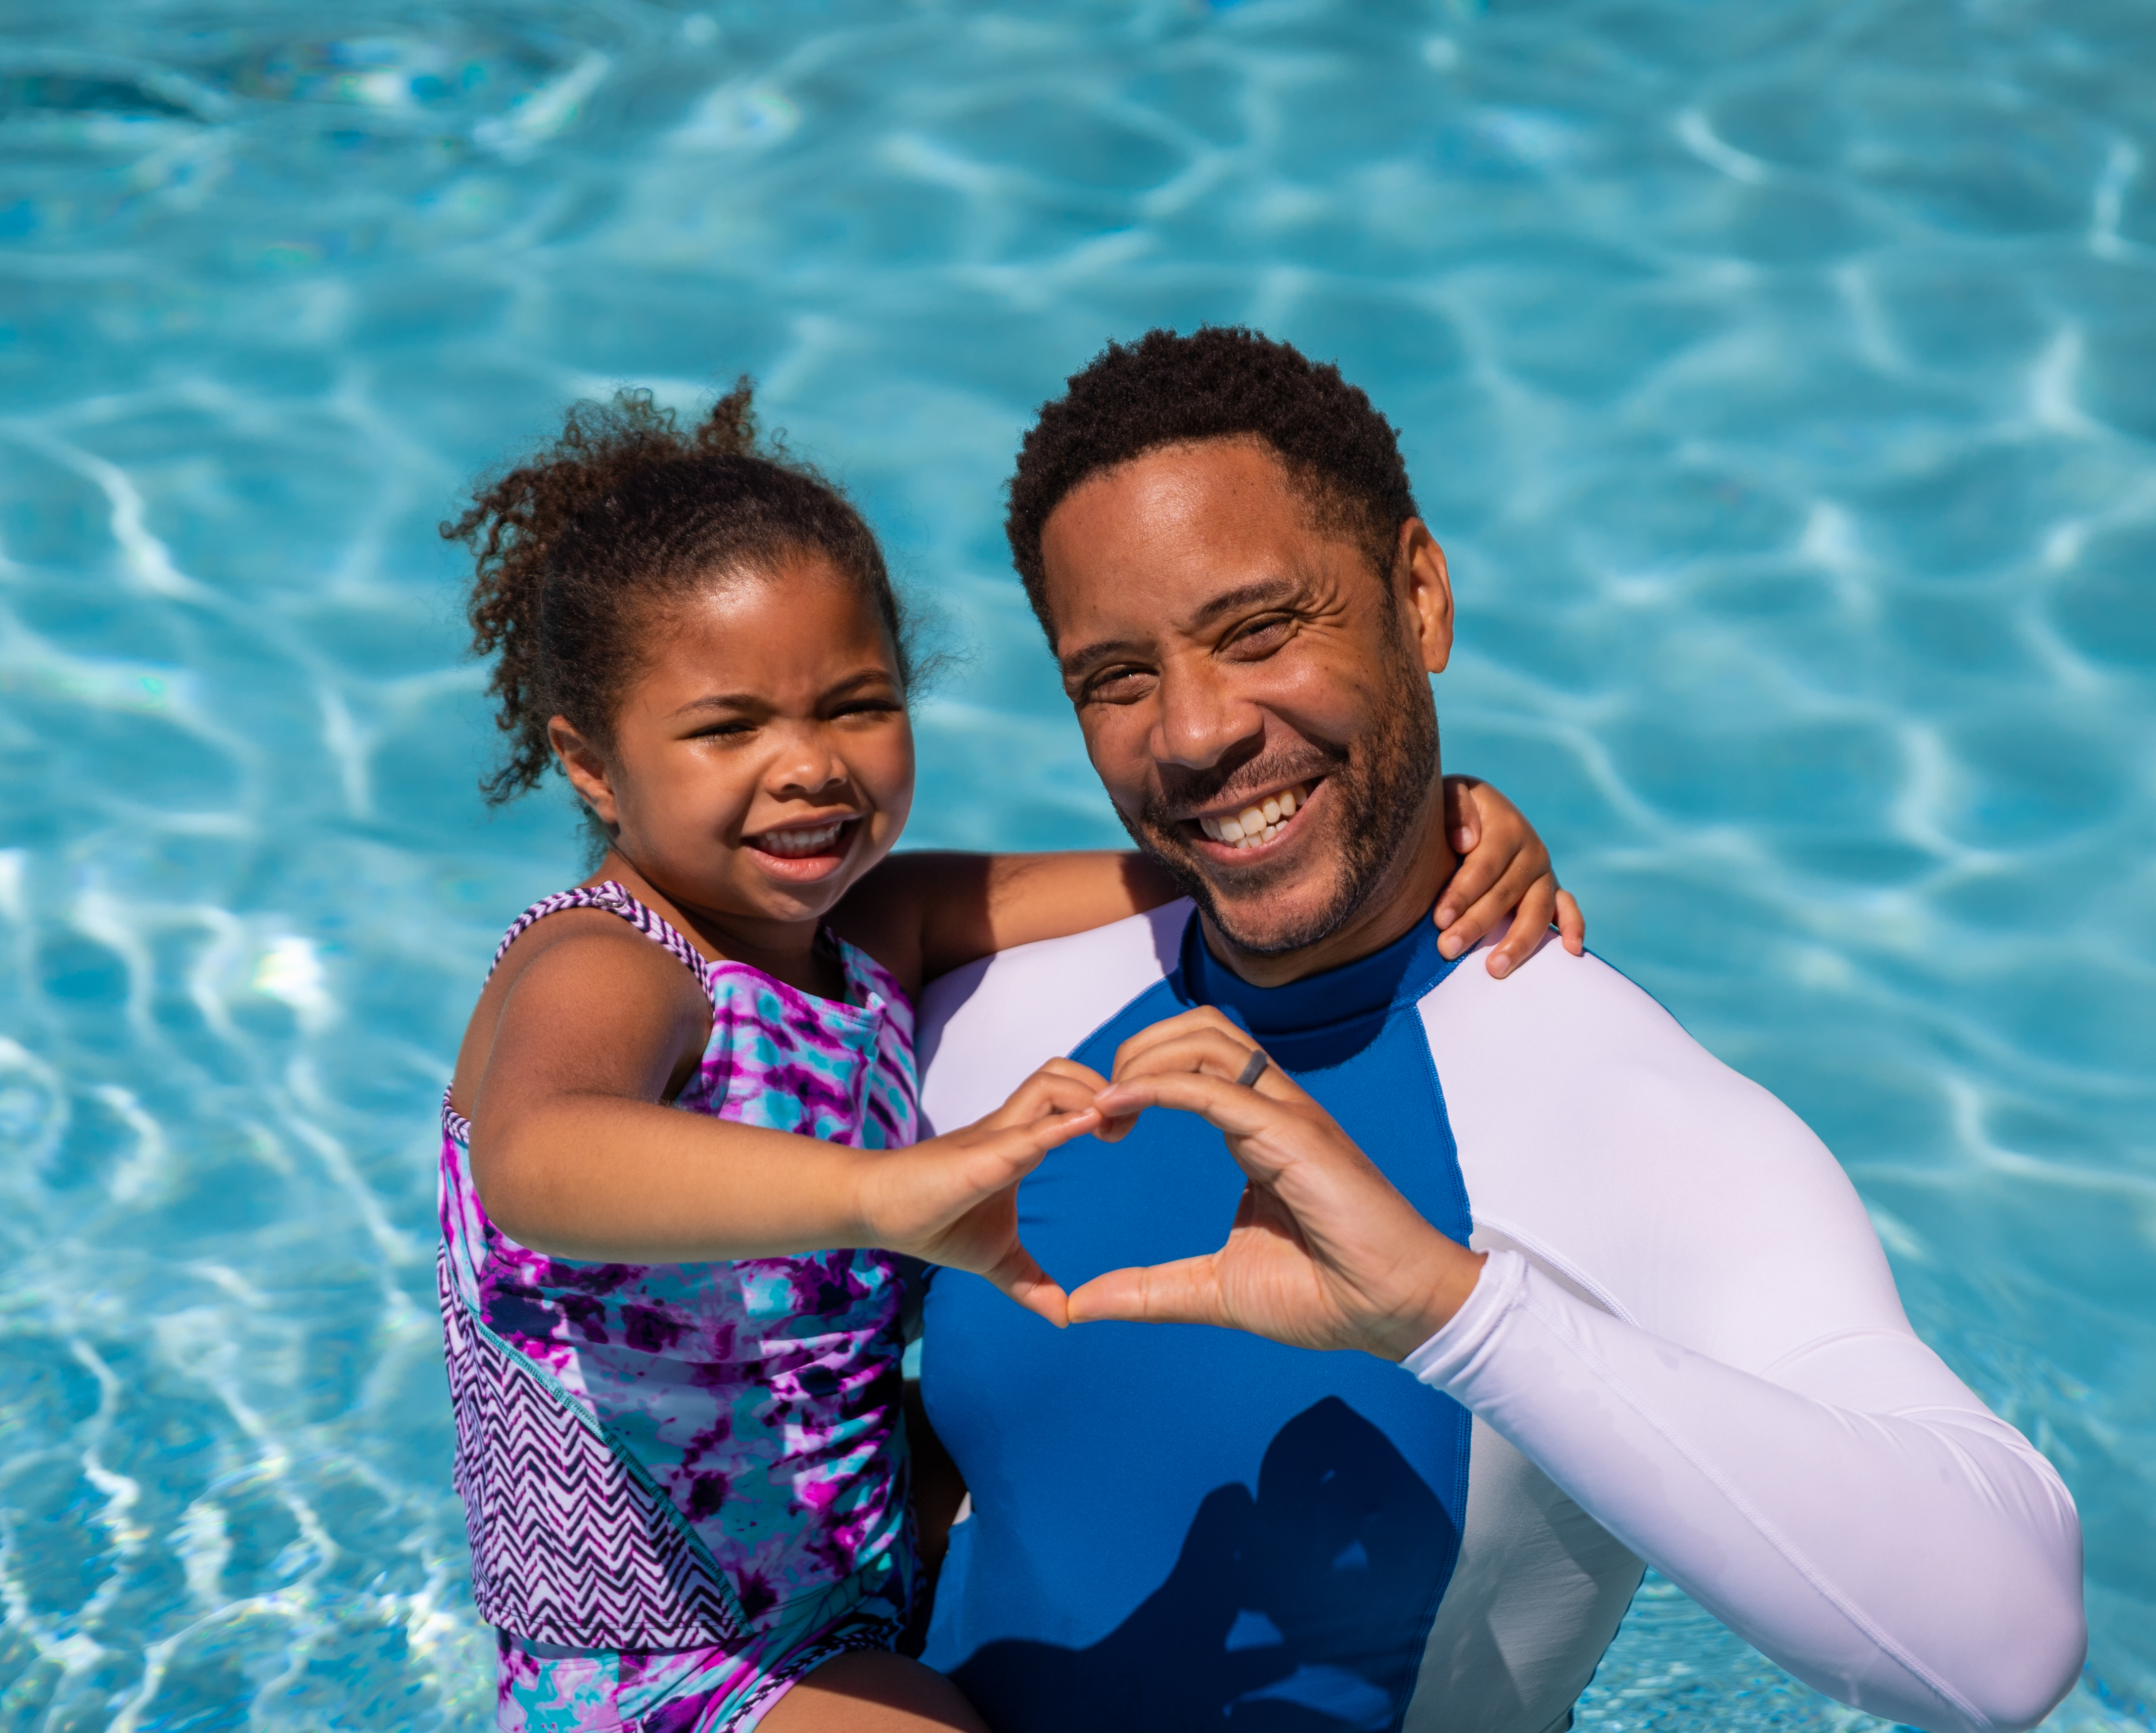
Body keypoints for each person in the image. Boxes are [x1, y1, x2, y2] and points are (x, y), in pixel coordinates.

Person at [909, 328, 2089, 1733]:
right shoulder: (981, 1013)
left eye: (1261, 630)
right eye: (1115, 678)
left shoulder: (1627, 1119)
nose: (1193, 733)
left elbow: (2006, 1646)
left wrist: (1449, 1313)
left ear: (1420, 597)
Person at [430, 382, 1580, 1733]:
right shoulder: (609, 960)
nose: (807, 767)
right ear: (593, 767)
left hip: (842, 1590)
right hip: (642, 1657)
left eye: (854, 705)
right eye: (728, 729)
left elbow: (1194, 861)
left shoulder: (879, 930)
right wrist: (876, 1198)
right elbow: (536, 1157)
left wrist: (1430, 818)